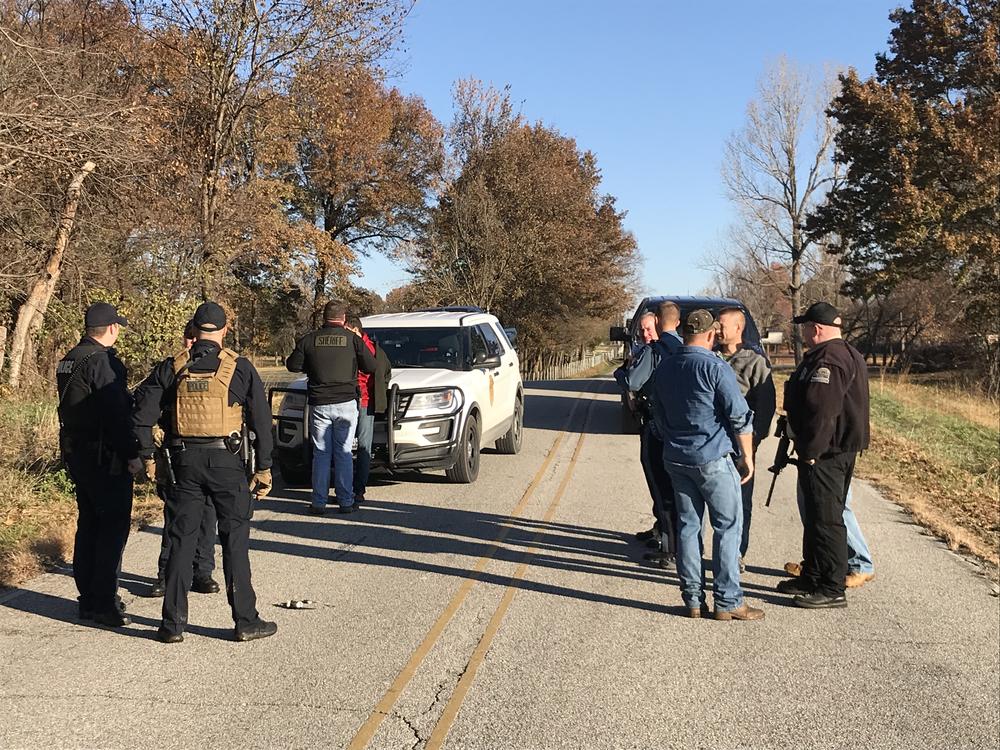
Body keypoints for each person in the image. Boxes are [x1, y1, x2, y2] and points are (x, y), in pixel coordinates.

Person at [132, 302, 276, 643]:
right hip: (226, 463)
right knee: (234, 541)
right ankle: (245, 621)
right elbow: (260, 424)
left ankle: (171, 625)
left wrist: (148, 457)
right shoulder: (239, 368)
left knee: (182, 541)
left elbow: (140, 417)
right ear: (225, 331)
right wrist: (266, 468)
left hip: (183, 464)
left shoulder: (173, 367)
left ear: (193, 331)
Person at [653, 309, 763, 621]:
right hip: (712, 457)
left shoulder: (665, 367)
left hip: (676, 457)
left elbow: (657, 415)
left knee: (688, 527)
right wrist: (747, 457)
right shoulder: (715, 367)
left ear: (683, 332)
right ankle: (728, 601)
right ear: (711, 334)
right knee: (727, 526)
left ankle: (692, 600)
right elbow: (739, 416)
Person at [777, 302, 870, 609]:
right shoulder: (842, 353)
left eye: (805, 327)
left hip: (827, 453)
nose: (803, 332)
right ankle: (812, 575)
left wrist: (810, 452)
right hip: (831, 449)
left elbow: (822, 412)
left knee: (827, 518)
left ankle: (832, 587)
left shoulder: (830, 359)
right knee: (817, 517)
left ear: (816, 329)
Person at [56, 302, 137, 627]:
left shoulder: (69, 359)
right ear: (113, 329)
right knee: (111, 529)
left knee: (88, 525)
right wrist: (132, 454)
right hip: (106, 458)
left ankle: (87, 599)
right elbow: (115, 415)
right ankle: (104, 602)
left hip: (78, 454)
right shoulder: (101, 362)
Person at [148, 319, 220, 598]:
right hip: (177, 449)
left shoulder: (221, 368)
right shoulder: (172, 368)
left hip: (212, 452)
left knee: (207, 514)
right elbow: (150, 406)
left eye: (195, 338)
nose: (192, 343)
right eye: (188, 339)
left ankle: (202, 572)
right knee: (176, 517)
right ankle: (166, 574)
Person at [287, 300, 376, 515]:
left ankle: (319, 502)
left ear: (323, 318)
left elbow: (292, 365)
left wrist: (310, 365)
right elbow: (371, 366)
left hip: (319, 403)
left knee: (321, 453)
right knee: (344, 453)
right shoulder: (353, 340)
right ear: (343, 318)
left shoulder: (310, 340)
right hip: (346, 403)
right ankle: (345, 501)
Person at [623, 301, 683, 566]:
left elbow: (633, 381)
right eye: (642, 331)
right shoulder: (685, 349)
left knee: (661, 484)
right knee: (671, 488)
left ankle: (670, 547)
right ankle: (665, 532)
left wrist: (623, 370)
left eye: (648, 328)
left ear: (658, 323)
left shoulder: (654, 352)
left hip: (656, 424)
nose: (645, 335)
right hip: (678, 427)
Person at [717, 307, 776, 566]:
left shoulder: (755, 362)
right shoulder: (710, 357)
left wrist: (752, 442)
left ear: (738, 328)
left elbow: (766, 407)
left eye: (721, 325)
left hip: (741, 445)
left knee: (741, 502)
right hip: (711, 444)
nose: (717, 330)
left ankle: (736, 554)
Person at [344, 316, 392, 505]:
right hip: (347, 401)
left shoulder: (370, 349)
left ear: (356, 330)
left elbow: (384, 371)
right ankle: (346, 487)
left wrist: (378, 392)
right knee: (345, 447)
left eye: (347, 331)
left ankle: (359, 489)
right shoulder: (351, 347)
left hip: (364, 401)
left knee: (364, 446)